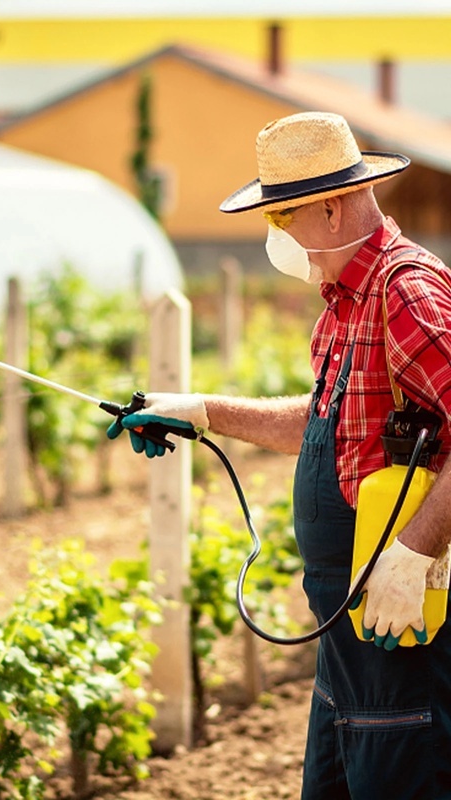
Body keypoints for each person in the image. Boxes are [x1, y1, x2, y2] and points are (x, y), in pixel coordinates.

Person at [107, 111, 451, 799]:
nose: (279, 235)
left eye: (282, 215)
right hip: (347, 635)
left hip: (399, 625)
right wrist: (202, 412)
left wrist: (415, 549)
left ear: (330, 206)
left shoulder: (404, 291)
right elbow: (325, 423)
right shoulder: (343, 305)